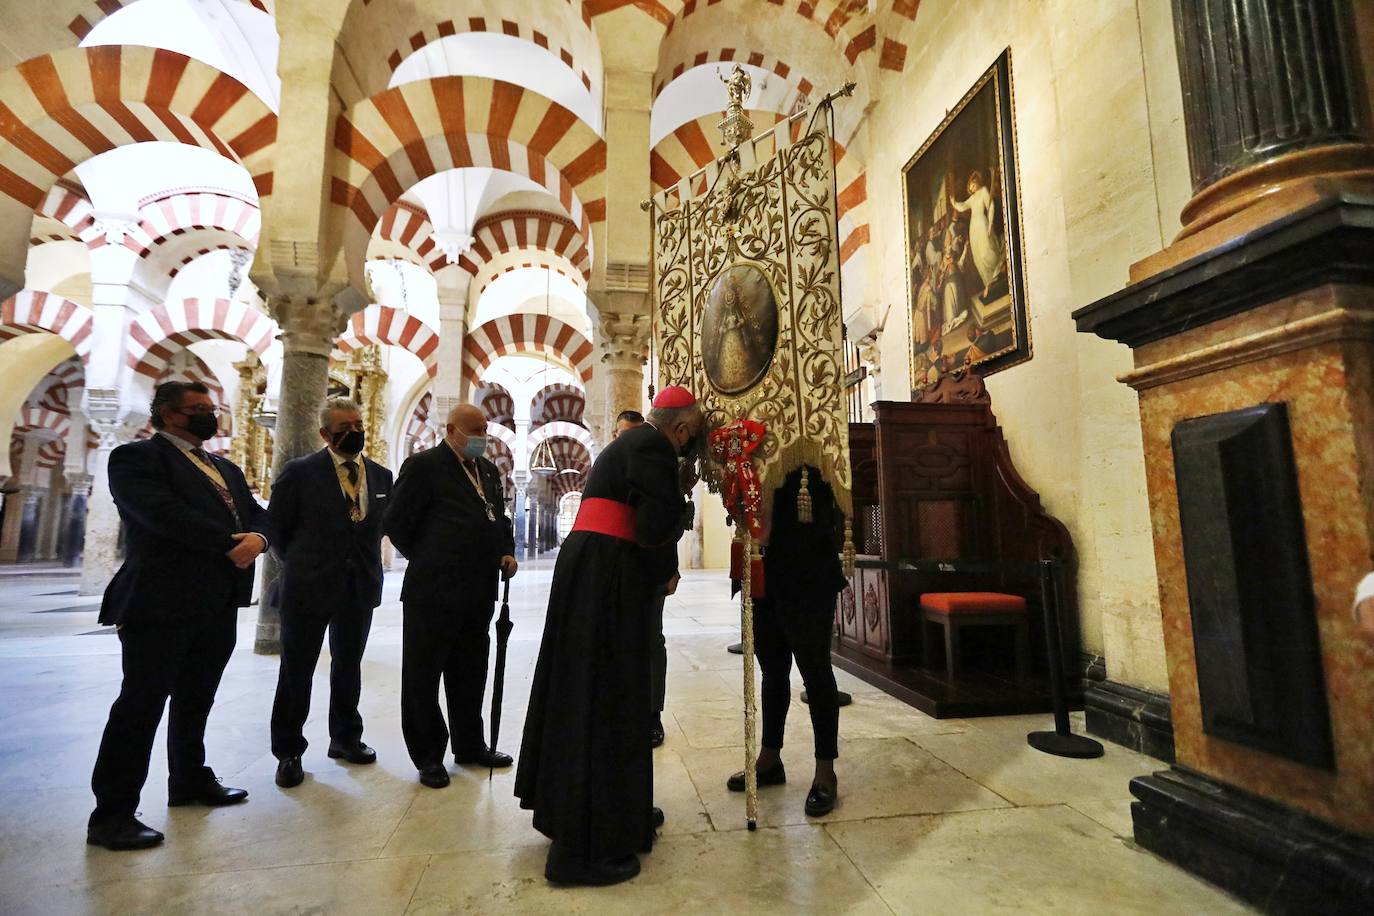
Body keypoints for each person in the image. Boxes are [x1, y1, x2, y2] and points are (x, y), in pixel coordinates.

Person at [516, 386, 703, 886]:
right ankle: (580, 853)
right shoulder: (654, 448)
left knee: (599, 693)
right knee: (605, 699)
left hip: (597, 570)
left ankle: (621, 812)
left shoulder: (634, 443)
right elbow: (651, 526)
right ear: (681, 430)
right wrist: (675, 535)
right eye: (691, 440)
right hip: (608, 576)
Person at [87, 381, 272, 851]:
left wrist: (261, 540)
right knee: (141, 705)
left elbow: (257, 514)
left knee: (197, 698)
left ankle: (188, 779)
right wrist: (232, 544)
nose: (209, 416)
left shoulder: (223, 467)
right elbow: (161, 515)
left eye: (211, 408)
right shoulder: (136, 459)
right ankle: (113, 812)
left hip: (215, 600)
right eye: (198, 409)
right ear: (169, 414)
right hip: (161, 600)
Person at [384, 403, 518, 789]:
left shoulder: (488, 471)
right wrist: (430, 557)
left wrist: (505, 550)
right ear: (451, 430)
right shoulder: (424, 466)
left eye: (485, 430)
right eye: (475, 430)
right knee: (423, 675)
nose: (482, 437)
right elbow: (395, 522)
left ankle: (470, 744)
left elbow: (500, 519)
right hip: (433, 591)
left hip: (478, 592)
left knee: (470, 671)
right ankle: (428, 756)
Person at [269, 398, 393, 788]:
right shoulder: (300, 473)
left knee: (348, 665)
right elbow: (278, 531)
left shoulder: (381, 476)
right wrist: (307, 566)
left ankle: (345, 738)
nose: (354, 431)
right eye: (344, 427)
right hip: (309, 587)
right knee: (297, 670)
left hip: (359, 586)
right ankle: (289, 751)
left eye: (358, 424)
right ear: (325, 434)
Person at [726, 464, 847, 817]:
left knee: (815, 670)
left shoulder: (812, 454)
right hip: (764, 571)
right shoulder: (754, 450)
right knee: (773, 669)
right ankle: (769, 758)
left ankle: (826, 770)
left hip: (807, 571)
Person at [612, 408, 669, 748]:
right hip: (616, 568)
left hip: (648, 571)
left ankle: (652, 714)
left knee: (651, 641)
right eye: (625, 436)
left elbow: (666, 516)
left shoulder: (655, 467)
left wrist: (670, 568)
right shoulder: (609, 468)